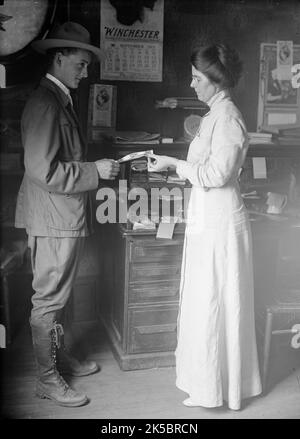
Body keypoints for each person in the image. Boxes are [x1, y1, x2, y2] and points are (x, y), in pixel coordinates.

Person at [148, 43, 262, 410]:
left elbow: (216, 174)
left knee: (215, 301)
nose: (192, 83)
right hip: (207, 217)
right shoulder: (214, 113)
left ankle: (221, 389)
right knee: (204, 300)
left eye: (197, 78)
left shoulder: (227, 116)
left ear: (215, 80)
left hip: (221, 222)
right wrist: (171, 163)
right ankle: (206, 385)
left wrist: (172, 165)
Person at [14, 22, 120, 407]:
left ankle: (57, 358)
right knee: (49, 300)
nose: (85, 71)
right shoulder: (46, 103)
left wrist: (90, 169)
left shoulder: (57, 99)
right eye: (80, 63)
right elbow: (42, 170)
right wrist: (96, 171)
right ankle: (46, 380)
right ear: (59, 59)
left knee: (60, 295)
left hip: (60, 215)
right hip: (54, 218)